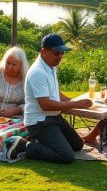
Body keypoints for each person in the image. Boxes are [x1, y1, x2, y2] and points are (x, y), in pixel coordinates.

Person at [5, 33, 93, 164]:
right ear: (44, 52)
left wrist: (72, 100)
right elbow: (45, 105)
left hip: (53, 118)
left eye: (62, 53)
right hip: (39, 122)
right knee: (67, 156)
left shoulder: (50, 67)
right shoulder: (37, 72)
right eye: (56, 53)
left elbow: (54, 92)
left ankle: (41, 141)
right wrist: (75, 104)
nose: (60, 57)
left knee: (78, 145)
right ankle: (26, 146)